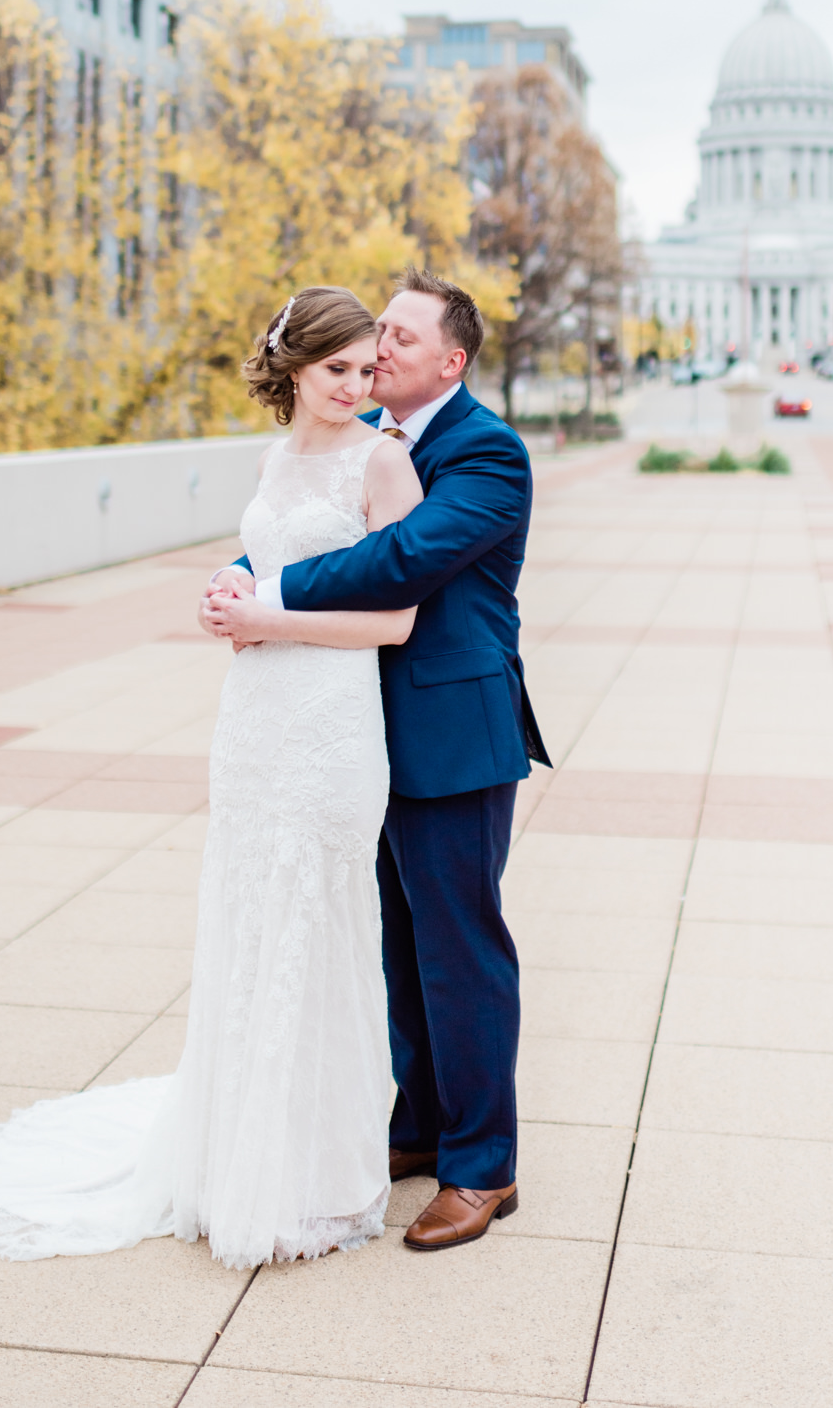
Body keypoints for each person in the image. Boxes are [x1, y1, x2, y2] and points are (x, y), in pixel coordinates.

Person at [0, 286, 422, 1269]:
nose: (359, 387)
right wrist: (228, 588)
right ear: (291, 367)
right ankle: (231, 1155)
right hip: (255, 720)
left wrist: (265, 619)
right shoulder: (274, 458)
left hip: (329, 720)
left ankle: (311, 1176)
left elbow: (393, 621)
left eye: (368, 369)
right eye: (338, 370)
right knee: (245, 911)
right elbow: (267, 559)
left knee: (316, 923)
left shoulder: (385, 461)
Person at [205, 267, 548, 1254]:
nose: (380, 349)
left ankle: (483, 1168)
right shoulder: (369, 439)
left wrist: (265, 592)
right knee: (396, 941)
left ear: (451, 358)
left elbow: (400, 564)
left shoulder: (486, 452)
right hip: (350, 725)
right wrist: (245, 571)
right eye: (372, 337)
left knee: (459, 948)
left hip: (448, 730)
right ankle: (419, 1126)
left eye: (399, 337)